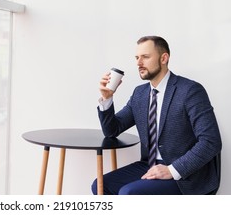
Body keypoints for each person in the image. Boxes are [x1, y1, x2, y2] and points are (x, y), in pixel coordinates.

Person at [91, 36, 222, 195]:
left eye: (145, 57)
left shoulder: (190, 91)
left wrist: (172, 170)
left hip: (185, 174)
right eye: (137, 58)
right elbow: (112, 130)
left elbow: (211, 141)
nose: (139, 63)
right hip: (149, 164)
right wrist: (107, 97)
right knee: (100, 185)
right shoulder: (140, 93)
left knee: (128, 193)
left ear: (164, 58)